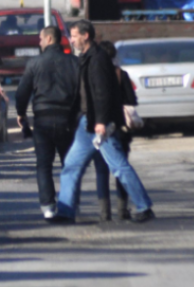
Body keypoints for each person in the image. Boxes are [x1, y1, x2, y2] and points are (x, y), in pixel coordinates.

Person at [53, 20, 155, 223]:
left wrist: (101, 121)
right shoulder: (86, 58)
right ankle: (65, 211)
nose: (71, 40)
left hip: (98, 124)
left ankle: (144, 207)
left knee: (118, 166)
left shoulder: (98, 59)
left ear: (86, 36)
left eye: (74, 36)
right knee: (71, 166)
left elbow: (102, 93)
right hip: (86, 124)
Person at [15, 26, 79, 219]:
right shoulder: (74, 62)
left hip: (42, 120)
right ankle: (70, 205)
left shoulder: (34, 63)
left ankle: (48, 208)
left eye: (41, 39)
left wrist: (21, 114)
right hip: (67, 119)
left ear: (49, 39)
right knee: (69, 165)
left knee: (44, 165)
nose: (39, 42)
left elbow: (22, 92)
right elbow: (81, 91)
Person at [94, 40, 136, 220]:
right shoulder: (121, 74)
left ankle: (104, 212)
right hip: (119, 128)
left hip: (99, 127)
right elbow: (131, 101)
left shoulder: (93, 74)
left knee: (101, 171)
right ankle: (122, 210)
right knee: (121, 169)